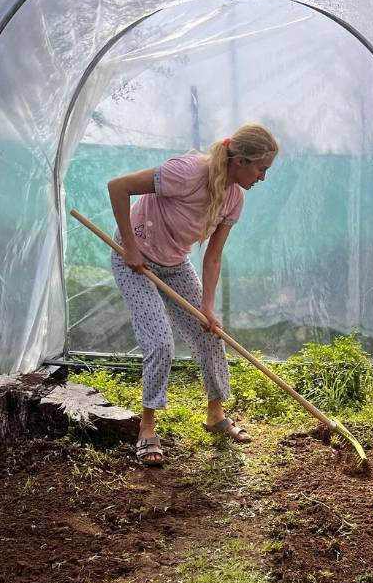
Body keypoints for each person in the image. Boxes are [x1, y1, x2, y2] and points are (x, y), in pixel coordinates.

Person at [108, 123, 278, 466]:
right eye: (261, 169)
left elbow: (212, 256)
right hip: (135, 260)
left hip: (174, 263)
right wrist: (129, 247)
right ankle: (147, 426)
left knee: (209, 333)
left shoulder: (234, 199)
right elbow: (118, 186)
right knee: (159, 342)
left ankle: (215, 416)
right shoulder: (186, 172)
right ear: (241, 160)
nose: (263, 177)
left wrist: (208, 308)